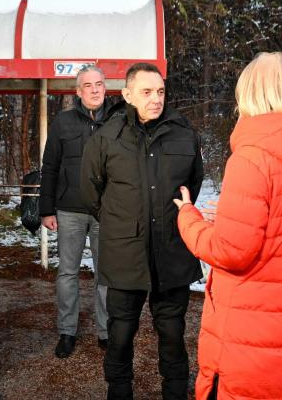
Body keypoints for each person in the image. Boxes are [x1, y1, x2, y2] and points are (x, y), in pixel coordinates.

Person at [173, 52, 282, 400]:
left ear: (249, 94)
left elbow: (230, 252)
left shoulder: (252, 156)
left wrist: (188, 217)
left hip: (251, 334)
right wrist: (230, 218)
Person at [81, 62, 204, 399]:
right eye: (147, 92)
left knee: (173, 332)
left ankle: (175, 392)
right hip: (126, 252)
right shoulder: (106, 137)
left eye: (160, 91)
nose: (156, 99)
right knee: (120, 332)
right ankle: (119, 391)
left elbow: (192, 185)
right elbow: (91, 192)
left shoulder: (184, 133)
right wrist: (123, 221)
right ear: (127, 94)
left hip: (172, 251)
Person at [40, 65, 121, 358]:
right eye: (88, 85)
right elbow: (50, 167)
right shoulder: (63, 122)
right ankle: (67, 332)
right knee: (67, 273)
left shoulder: (119, 120)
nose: (95, 89)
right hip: (69, 210)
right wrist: (46, 209)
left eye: (99, 84)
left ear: (105, 87)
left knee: (106, 274)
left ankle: (105, 332)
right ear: (78, 91)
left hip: (106, 211)